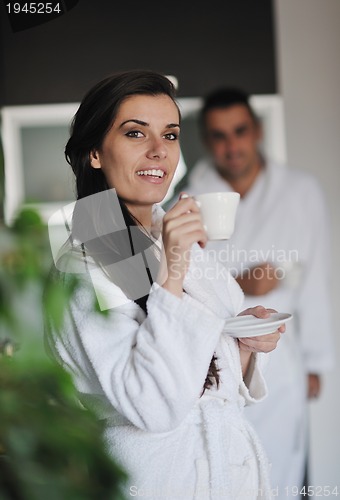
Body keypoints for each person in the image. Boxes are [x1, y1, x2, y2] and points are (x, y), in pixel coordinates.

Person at [44, 71, 287, 500]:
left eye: (170, 135)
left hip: (225, 473)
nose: (159, 151)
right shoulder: (82, 265)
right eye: (135, 133)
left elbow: (210, 376)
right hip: (155, 480)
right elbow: (153, 406)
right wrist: (173, 267)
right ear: (95, 152)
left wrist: (243, 343)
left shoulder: (169, 237)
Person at [168, 87, 334, 498]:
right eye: (220, 135)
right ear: (207, 141)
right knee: (220, 474)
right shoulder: (188, 196)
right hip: (215, 357)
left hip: (281, 351)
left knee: (279, 471)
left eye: (239, 131)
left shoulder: (301, 191)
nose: (232, 145)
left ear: (257, 131)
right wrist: (241, 282)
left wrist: (316, 359)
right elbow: (176, 279)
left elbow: (314, 277)